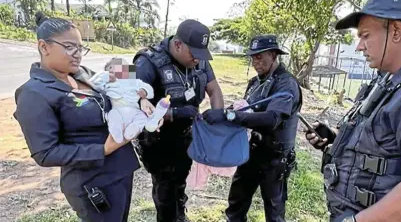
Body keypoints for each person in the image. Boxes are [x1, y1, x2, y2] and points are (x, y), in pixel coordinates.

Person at [13, 12, 159, 221]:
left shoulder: (84, 73)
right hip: (92, 182)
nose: (77, 54)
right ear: (44, 47)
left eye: (80, 48)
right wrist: (104, 149)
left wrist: (142, 100)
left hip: (121, 169)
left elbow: (122, 86)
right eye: (69, 47)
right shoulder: (33, 93)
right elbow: (45, 153)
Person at [304, 0, 401, 222]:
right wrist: (335, 138)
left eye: (365, 36)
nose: (359, 46)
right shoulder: (390, 78)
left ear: (396, 31)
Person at [203, 34, 302, 222]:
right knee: (236, 204)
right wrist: (225, 113)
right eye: (252, 56)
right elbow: (247, 109)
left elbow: (272, 118)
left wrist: (229, 115)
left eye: (260, 56)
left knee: (274, 213)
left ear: (273, 55)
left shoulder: (286, 83)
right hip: (251, 152)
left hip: (275, 158)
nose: (255, 61)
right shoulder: (256, 83)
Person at [133, 19, 224, 222]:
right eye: (194, 54)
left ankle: (180, 215)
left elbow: (214, 89)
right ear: (177, 45)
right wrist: (172, 114)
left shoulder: (199, 60)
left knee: (180, 183)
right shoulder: (147, 61)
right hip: (158, 141)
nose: (197, 61)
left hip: (186, 136)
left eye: (201, 56)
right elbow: (132, 104)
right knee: (165, 191)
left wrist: (218, 117)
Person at [89, 57, 155, 143]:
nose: (126, 69)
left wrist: (145, 91)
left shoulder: (135, 81)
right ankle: (117, 135)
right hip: (117, 109)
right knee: (113, 117)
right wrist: (105, 76)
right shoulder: (108, 83)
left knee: (142, 117)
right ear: (110, 70)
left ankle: (132, 130)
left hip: (134, 110)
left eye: (127, 67)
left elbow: (150, 89)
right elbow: (92, 84)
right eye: (122, 66)